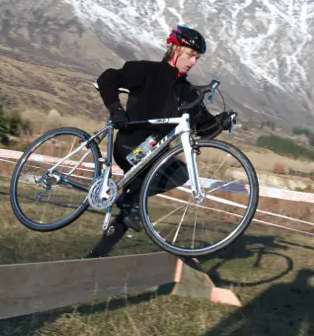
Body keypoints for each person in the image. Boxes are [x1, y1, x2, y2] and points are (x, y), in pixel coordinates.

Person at [85, 25, 237, 258]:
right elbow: (107, 79)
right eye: (190, 54)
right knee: (136, 194)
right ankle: (128, 202)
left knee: (164, 182)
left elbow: (204, 130)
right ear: (175, 49)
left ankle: (97, 254)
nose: (193, 61)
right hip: (130, 145)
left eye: (197, 57)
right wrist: (116, 110)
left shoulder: (188, 92)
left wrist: (222, 122)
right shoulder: (145, 70)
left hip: (153, 155)